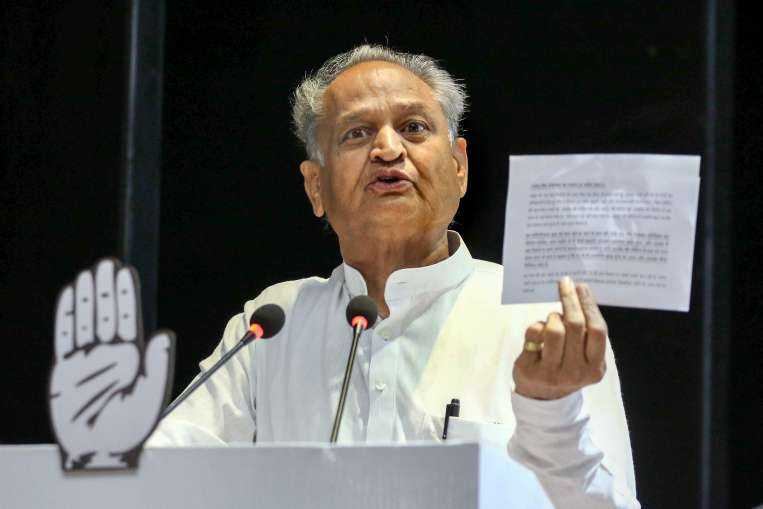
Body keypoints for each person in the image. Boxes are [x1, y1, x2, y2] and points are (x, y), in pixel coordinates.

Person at [148, 44, 639, 508]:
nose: (387, 148)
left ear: (459, 168)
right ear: (316, 187)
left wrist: (550, 411)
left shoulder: (538, 321)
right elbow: (161, 475)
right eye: (356, 133)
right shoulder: (272, 324)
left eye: (414, 127)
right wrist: (116, 440)